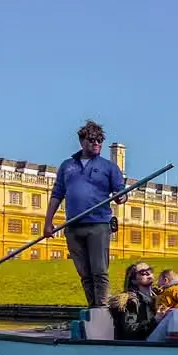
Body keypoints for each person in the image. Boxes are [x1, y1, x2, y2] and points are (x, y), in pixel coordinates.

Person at [44, 120, 125, 307]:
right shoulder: (67, 166)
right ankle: (93, 308)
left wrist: (122, 197)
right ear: (82, 142)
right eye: (92, 140)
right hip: (72, 226)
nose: (96, 144)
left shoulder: (109, 167)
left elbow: (120, 192)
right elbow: (57, 193)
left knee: (99, 270)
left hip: (98, 224)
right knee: (84, 273)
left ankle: (102, 309)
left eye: (99, 141)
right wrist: (48, 223)